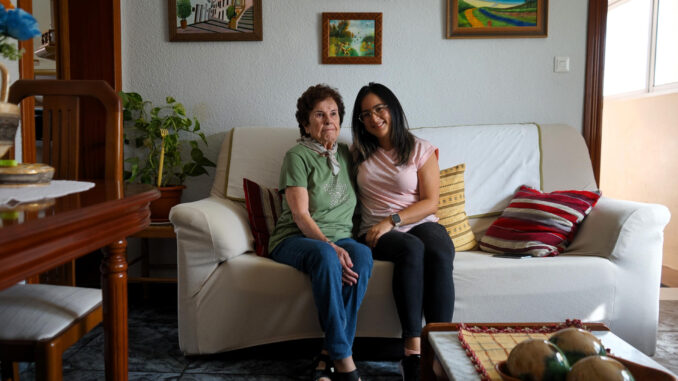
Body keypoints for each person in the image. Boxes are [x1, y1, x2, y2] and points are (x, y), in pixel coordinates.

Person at [351, 83, 455, 381]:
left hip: (415, 223)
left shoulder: (421, 148)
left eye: (379, 108)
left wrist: (392, 220)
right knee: (412, 249)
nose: (374, 118)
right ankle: (412, 351)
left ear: (393, 109)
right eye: (365, 114)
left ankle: (440, 348)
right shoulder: (358, 153)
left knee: (439, 247)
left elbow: (431, 202)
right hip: (374, 232)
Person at [268, 84, 373, 381]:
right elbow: (300, 215)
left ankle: (326, 357)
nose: (328, 120)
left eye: (334, 113)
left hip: (342, 238)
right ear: (305, 123)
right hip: (295, 239)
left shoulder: (345, 153)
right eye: (319, 114)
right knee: (328, 256)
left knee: (363, 256)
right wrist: (330, 245)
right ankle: (344, 360)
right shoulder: (296, 156)